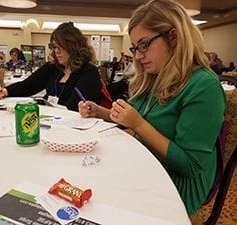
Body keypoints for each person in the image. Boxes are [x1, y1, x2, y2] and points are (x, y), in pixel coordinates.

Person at [78, 0, 226, 219]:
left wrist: (138, 124)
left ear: (173, 37)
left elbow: (190, 166)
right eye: (135, 47)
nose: (138, 56)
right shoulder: (155, 76)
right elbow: (136, 118)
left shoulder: (204, 86)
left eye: (144, 44)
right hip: (147, 166)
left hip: (178, 187)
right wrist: (101, 112)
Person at [0, 22, 102, 111]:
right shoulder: (53, 68)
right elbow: (28, 86)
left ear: (73, 47)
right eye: (54, 47)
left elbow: (74, 108)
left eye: (60, 47)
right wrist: (4, 91)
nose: (56, 52)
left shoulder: (89, 73)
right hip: (49, 120)